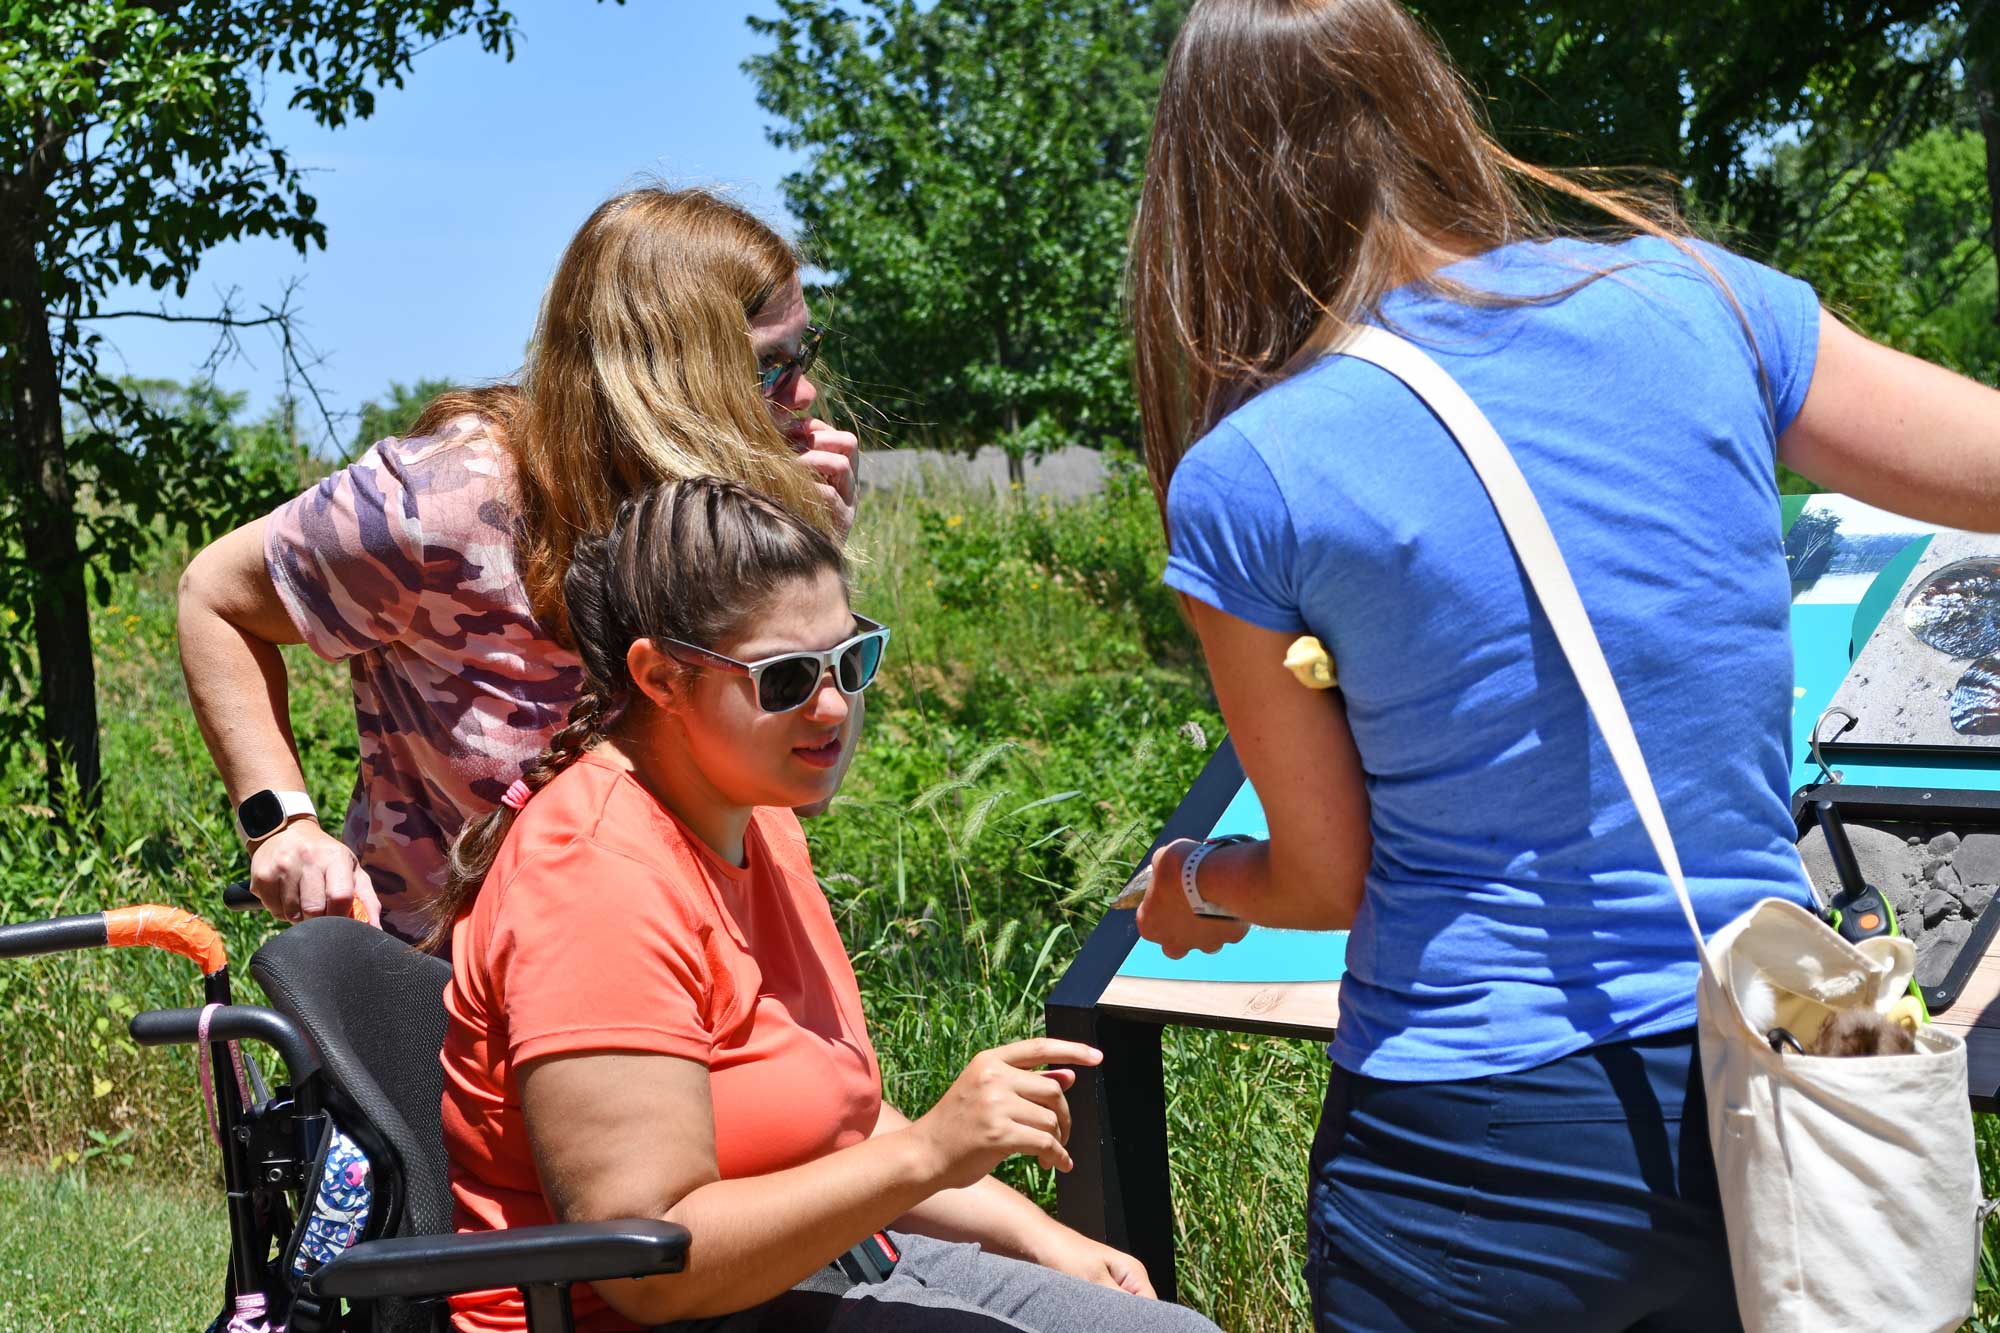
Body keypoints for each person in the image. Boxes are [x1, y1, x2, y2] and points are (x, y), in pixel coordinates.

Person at [1121, 2, 2000, 1330]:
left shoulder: (1252, 478)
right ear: (1428, 106)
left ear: (1204, 187)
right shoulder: (1709, 304)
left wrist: (1194, 885)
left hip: (1473, 1151)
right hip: (1765, 1079)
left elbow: (1324, 874)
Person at [436, 476, 1218, 1333]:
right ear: (659, 677)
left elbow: (825, 1113)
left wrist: (1039, 1235)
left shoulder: (756, 814)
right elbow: (649, 1264)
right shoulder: (592, 879)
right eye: (786, 679)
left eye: (852, 660)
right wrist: (929, 1153)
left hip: (816, 1266)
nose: (836, 706)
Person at [176, 186, 862, 945]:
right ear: (664, 376)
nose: (807, 396)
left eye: (805, 355)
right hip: (452, 994)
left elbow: (805, 789)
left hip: (682, 966)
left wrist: (814, 568)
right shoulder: (444, 500)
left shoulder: (727, 519)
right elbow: (215, 596)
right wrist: (281, 825)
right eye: (770, 367)